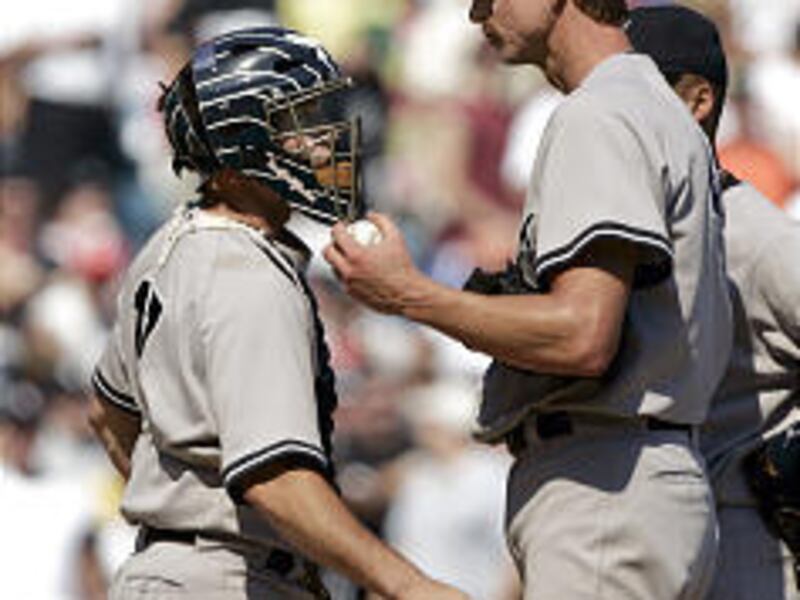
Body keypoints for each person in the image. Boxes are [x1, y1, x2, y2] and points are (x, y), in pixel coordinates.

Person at [324, 1, 733, 598]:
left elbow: (582, 333)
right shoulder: (650, 102)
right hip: (642, 474)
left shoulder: (602, 112)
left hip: (607, 482)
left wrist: (409, 294)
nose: (475, 14)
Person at [87, 26, 467, 600]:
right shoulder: (247, 274)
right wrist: (411, 587)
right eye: (299, 122)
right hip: (227, 580)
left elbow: (107, 416)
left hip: (172, 572)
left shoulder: (165, 248)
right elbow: (276, 481)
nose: (323, 139)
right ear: (239, 148)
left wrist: (178, 518)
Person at [628, 6, 800, 599]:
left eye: (639, 90)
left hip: (747, 540)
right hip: (646, 536)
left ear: (698, 101)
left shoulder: (756, 235)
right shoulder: (616, 228)